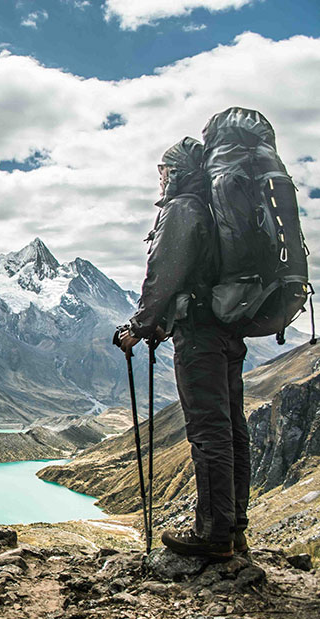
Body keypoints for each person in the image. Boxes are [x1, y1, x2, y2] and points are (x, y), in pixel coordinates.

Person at [118, 137, 249, 558]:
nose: (159, 179)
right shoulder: (216, 212)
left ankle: (213, 534)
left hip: (200, 339)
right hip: (228, 332)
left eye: (162, 170)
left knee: (208, 433)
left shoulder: (182, 209)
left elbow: (164, 273)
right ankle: (233, 526)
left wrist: (141, 326)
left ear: (174, 173)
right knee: (231, 430)